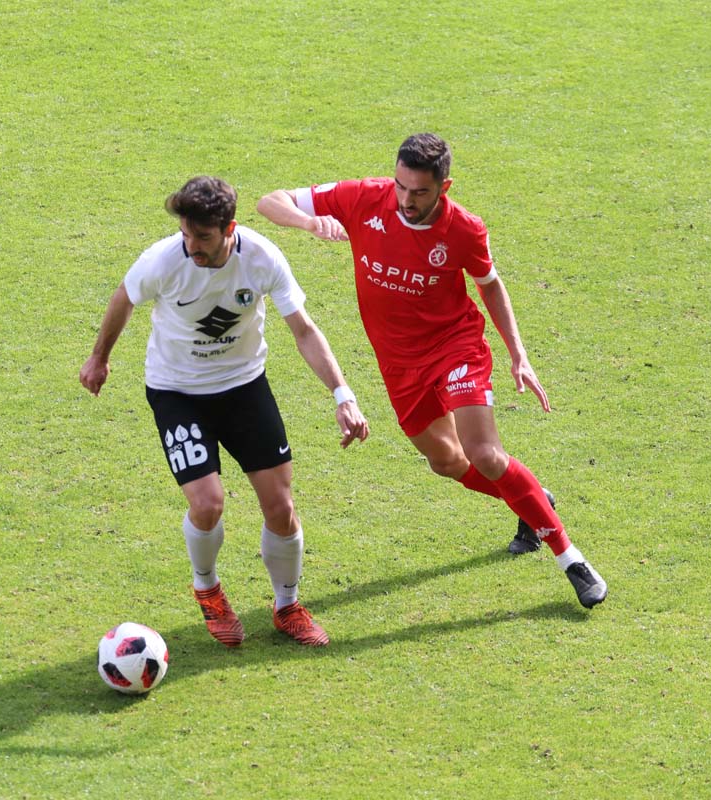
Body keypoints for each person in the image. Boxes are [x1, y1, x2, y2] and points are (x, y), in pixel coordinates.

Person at [256, 133, 607, 608]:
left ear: (445, 186)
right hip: (399, 363)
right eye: (401, 186)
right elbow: (268, 201)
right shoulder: (363, 196)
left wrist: (518, 354)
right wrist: (311, 223)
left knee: (484, 453)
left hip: (454, 346)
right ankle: (530, 499)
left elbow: (490, 286)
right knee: (446, 462)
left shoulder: (464, 229)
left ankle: (571, 559)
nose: (405, 200)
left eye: (419, 192)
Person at [80, 176, 370, 647]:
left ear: (230, 228)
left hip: (243, 388)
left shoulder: (262, 258)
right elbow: (124, 298)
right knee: (208, 503)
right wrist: (99, 358)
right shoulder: (164, 259)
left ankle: (287, 606)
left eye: (204, 237)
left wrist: (342, 394)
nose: (192, 246)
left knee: (281, 507)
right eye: (187, 234)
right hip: (177, 392)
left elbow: (304, 330)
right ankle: (207, 588)